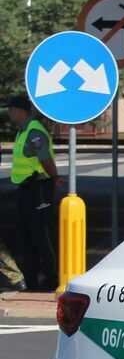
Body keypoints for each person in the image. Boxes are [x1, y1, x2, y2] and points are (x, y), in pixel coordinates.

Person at [5, 95, 59, 291]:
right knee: (26, 235)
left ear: (21, 111)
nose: (9, 113)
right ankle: (32, 279)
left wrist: (55, 178)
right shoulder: (23, 131)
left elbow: (44, 158)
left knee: (42, 235)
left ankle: (52, 279)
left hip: (39, 188)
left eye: (11, 110)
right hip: (26, 190)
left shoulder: (34, 131)